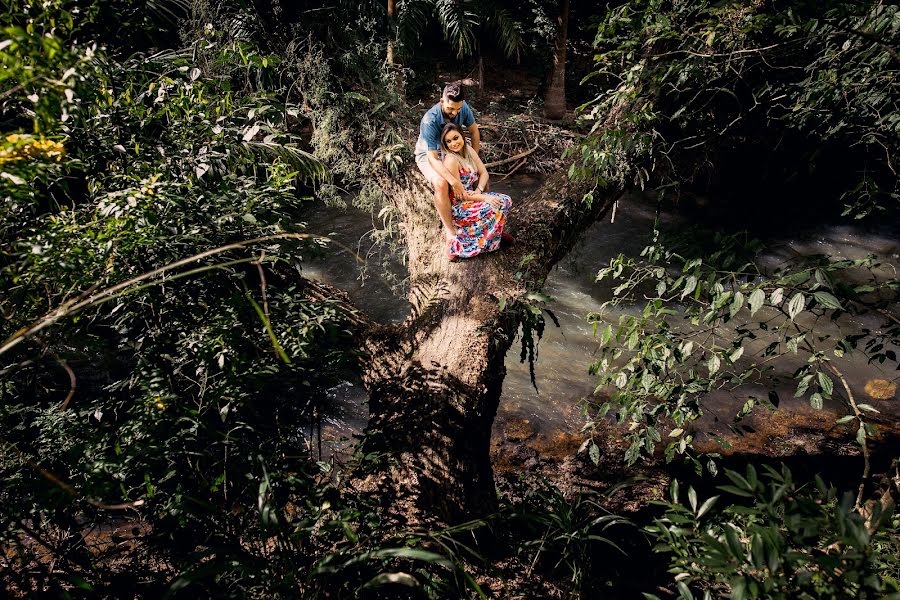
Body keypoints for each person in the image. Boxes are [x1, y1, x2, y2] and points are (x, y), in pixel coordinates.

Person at [415, 82, 483, 245]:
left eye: (458, 109)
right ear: (441, 102)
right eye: (451, 109)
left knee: (479, 175)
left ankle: (485, 220)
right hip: (430, 154)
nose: (455, 113)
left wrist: (472, 158)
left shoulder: (462, 107)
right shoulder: (429, 121)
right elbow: (432, 158)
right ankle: (450, 232)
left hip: (452, 148)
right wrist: (454, 181)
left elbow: (474, 131)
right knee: (441, 183)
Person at [439, 123, 512, 261]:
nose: (453, 143)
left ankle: (495, 234)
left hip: (474, 196)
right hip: (461, 206)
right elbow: (460, 196)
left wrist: (479, 190)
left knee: (506, 200)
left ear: (462, 135)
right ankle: (458, 243)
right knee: (493, 207)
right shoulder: (451, 160)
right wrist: (484, 198)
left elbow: (484, 173)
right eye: (448, 141)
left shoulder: (469, 151)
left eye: (455, 138)